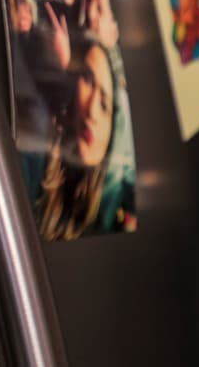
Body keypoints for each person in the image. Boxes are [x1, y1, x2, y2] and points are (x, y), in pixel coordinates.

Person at [21, 36, 133, 240]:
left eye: (104, 105)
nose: (92, 111)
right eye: (88, 80)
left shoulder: (106, 221)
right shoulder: (34, 163)